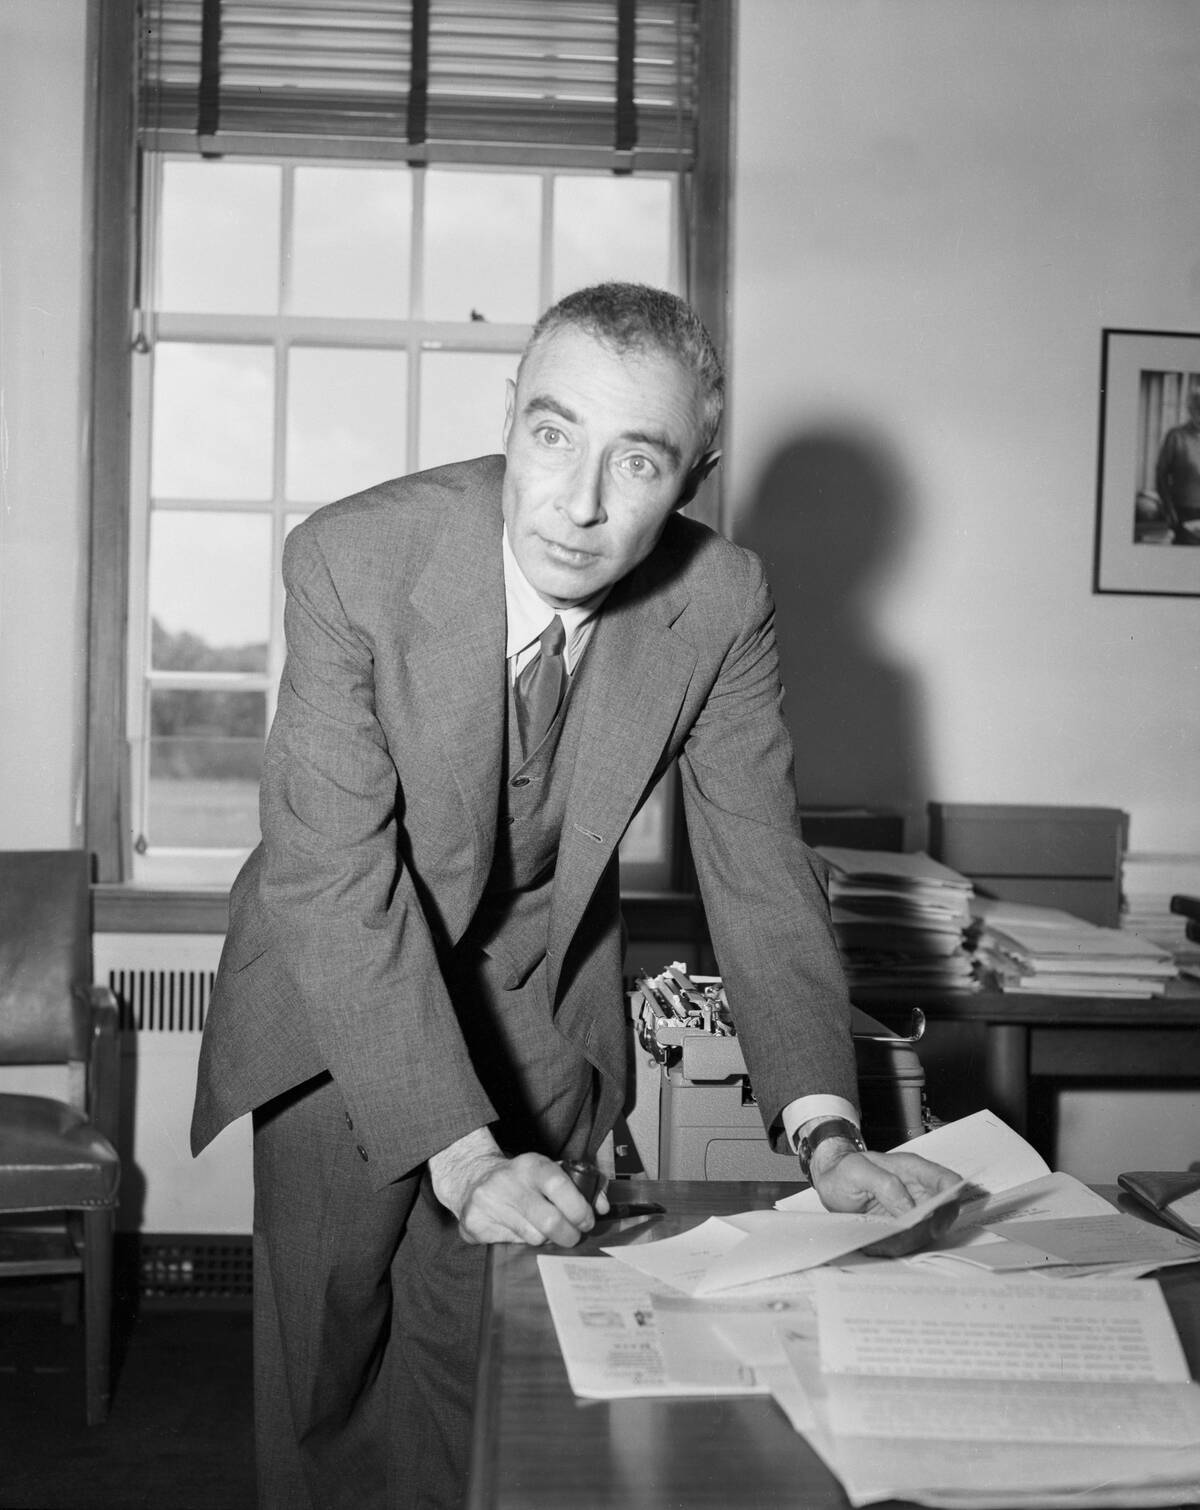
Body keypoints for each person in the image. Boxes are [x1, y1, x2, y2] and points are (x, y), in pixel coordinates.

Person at [191, 282, 960, 1510]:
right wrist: (456, 1148)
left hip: (538, 998)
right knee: (327, 1369)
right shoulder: (353, 558)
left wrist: (827, 1126)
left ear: (694, 473)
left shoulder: (721, 603)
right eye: (552, 433)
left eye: (637, 458)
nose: (580, 499)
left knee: (487, 1345)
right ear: (511, 415)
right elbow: (334, 875)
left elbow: (758, 864)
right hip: (337, 998)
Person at [1154, 386, 1200, 544]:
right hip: (1184, 511)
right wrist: (1168, 508)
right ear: (1190, 409)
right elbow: (1161, 474)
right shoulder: (1176, 436)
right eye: (1198, 407)